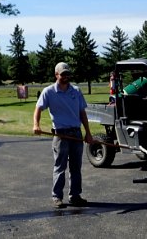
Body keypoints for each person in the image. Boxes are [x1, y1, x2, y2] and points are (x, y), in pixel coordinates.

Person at [33, 62, 93, 208]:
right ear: (56, 75)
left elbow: (82, 113)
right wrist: (36, 124)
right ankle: (57, 197)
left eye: (68, 74)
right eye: (63, 74)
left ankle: (75, 196)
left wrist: (88, 133)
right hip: (61, 135)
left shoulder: (76, 91)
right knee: (60, 167)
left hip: (76, 134)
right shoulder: (48, 92)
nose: (66, 77)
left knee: (76, 167)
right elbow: (38, 109)